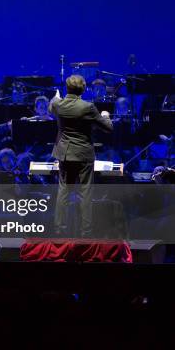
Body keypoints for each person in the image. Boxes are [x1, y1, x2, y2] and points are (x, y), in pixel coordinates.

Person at [49, 75, 113, 237]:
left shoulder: (58, 104)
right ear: (83, 89)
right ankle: (86, 232)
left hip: (64, 154)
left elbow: (52, 105)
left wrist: (56, 97)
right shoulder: (88, 107)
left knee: (63, 191)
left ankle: (59, 230)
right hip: (83, 155)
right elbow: (108, 128)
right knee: (85, 193)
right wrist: (105, 115)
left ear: (67, 88)